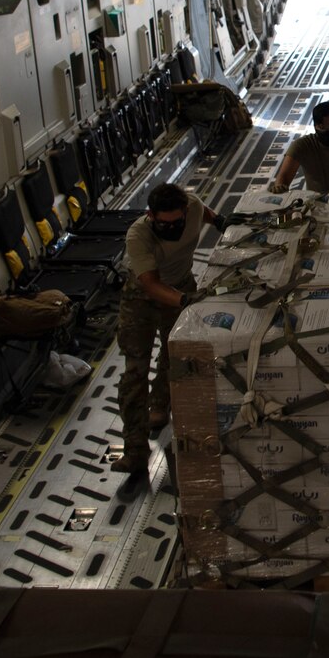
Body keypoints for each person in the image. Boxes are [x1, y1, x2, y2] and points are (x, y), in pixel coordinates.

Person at [115, 182, 227, 496]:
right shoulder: (139, 236)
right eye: (165, 224)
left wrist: (219, 221)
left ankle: (159, 407)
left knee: (173, 357)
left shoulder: (191, 205)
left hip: (179, 286)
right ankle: (135, 450)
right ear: (150, 216)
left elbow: (202, 212)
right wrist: (182, 302)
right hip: (142, 299)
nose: (174, 229)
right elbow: (149, 283)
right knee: (134, 372)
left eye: (177, 222)